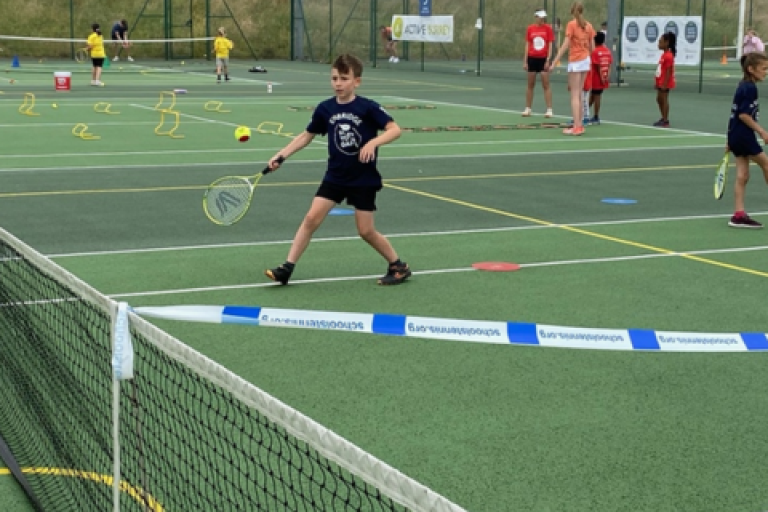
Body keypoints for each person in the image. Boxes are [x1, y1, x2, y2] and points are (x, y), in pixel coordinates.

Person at [264, 53, 411, 286]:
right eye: (334, 78)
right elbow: (306, 136)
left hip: (363, 179)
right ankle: (287, 268)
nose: (338, 84)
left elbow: (395, 130)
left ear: (357, 81)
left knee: (365, 231)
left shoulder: (368, 107)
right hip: (335, 177)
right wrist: (281, 156)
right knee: (311, 218)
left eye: (344, 78)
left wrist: (373, 142)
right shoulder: (325, 109)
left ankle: (398, 266)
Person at [726, 52, 768, 229]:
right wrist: (762, 131)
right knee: (767, 164)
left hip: (736, 135)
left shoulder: (742, 85)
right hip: (744, 135)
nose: (766, 72)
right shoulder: (749, 88)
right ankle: (739, 214)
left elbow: (734, 114)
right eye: (764, 68)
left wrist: (729, 138)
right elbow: (743, 115)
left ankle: (739, 214)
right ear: (751, 69)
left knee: (742, 175)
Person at [548, 1, 595, 136]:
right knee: (579, 94)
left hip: (576, 61)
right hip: (585, 60)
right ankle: (579, 124)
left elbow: (565, 45)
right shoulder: (589, 26)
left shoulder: (572, 25)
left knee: (575, 95)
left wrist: (554, 62)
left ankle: (576, 126)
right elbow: (592, 48)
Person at [522, 10, 555, 118]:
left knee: (545, 84)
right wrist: (525, 61)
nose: (542, 19)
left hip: (543, 58)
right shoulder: (530, 28)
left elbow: (550, 45)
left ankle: (549, 109)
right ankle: (528, 108)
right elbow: (527, 45)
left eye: (543, 17)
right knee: (530, 84)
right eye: (540, 17)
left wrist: (548, 59)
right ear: (535, 17)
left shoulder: (548, 29)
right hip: (532, 58)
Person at [588, 31, 613, 125]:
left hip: (596, 78)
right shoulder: (607, 51)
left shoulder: (595, 52)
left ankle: (595, 116)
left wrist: (601, 76)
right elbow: (610, 64)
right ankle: (584, 114)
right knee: (594, 95)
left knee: (596, 96)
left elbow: (597, 66)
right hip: (604, 77)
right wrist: (607, 76)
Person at [654, 32, 676, 127]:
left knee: (663, 99)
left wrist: (664, 84)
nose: (658, 44)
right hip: (660, 82)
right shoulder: (664, 55)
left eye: (660, 42)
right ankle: (663, 117)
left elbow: (668, 71)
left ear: (667, 43)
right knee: (659, 99)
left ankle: (665, 120)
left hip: (665, 83)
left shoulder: (669, 56)